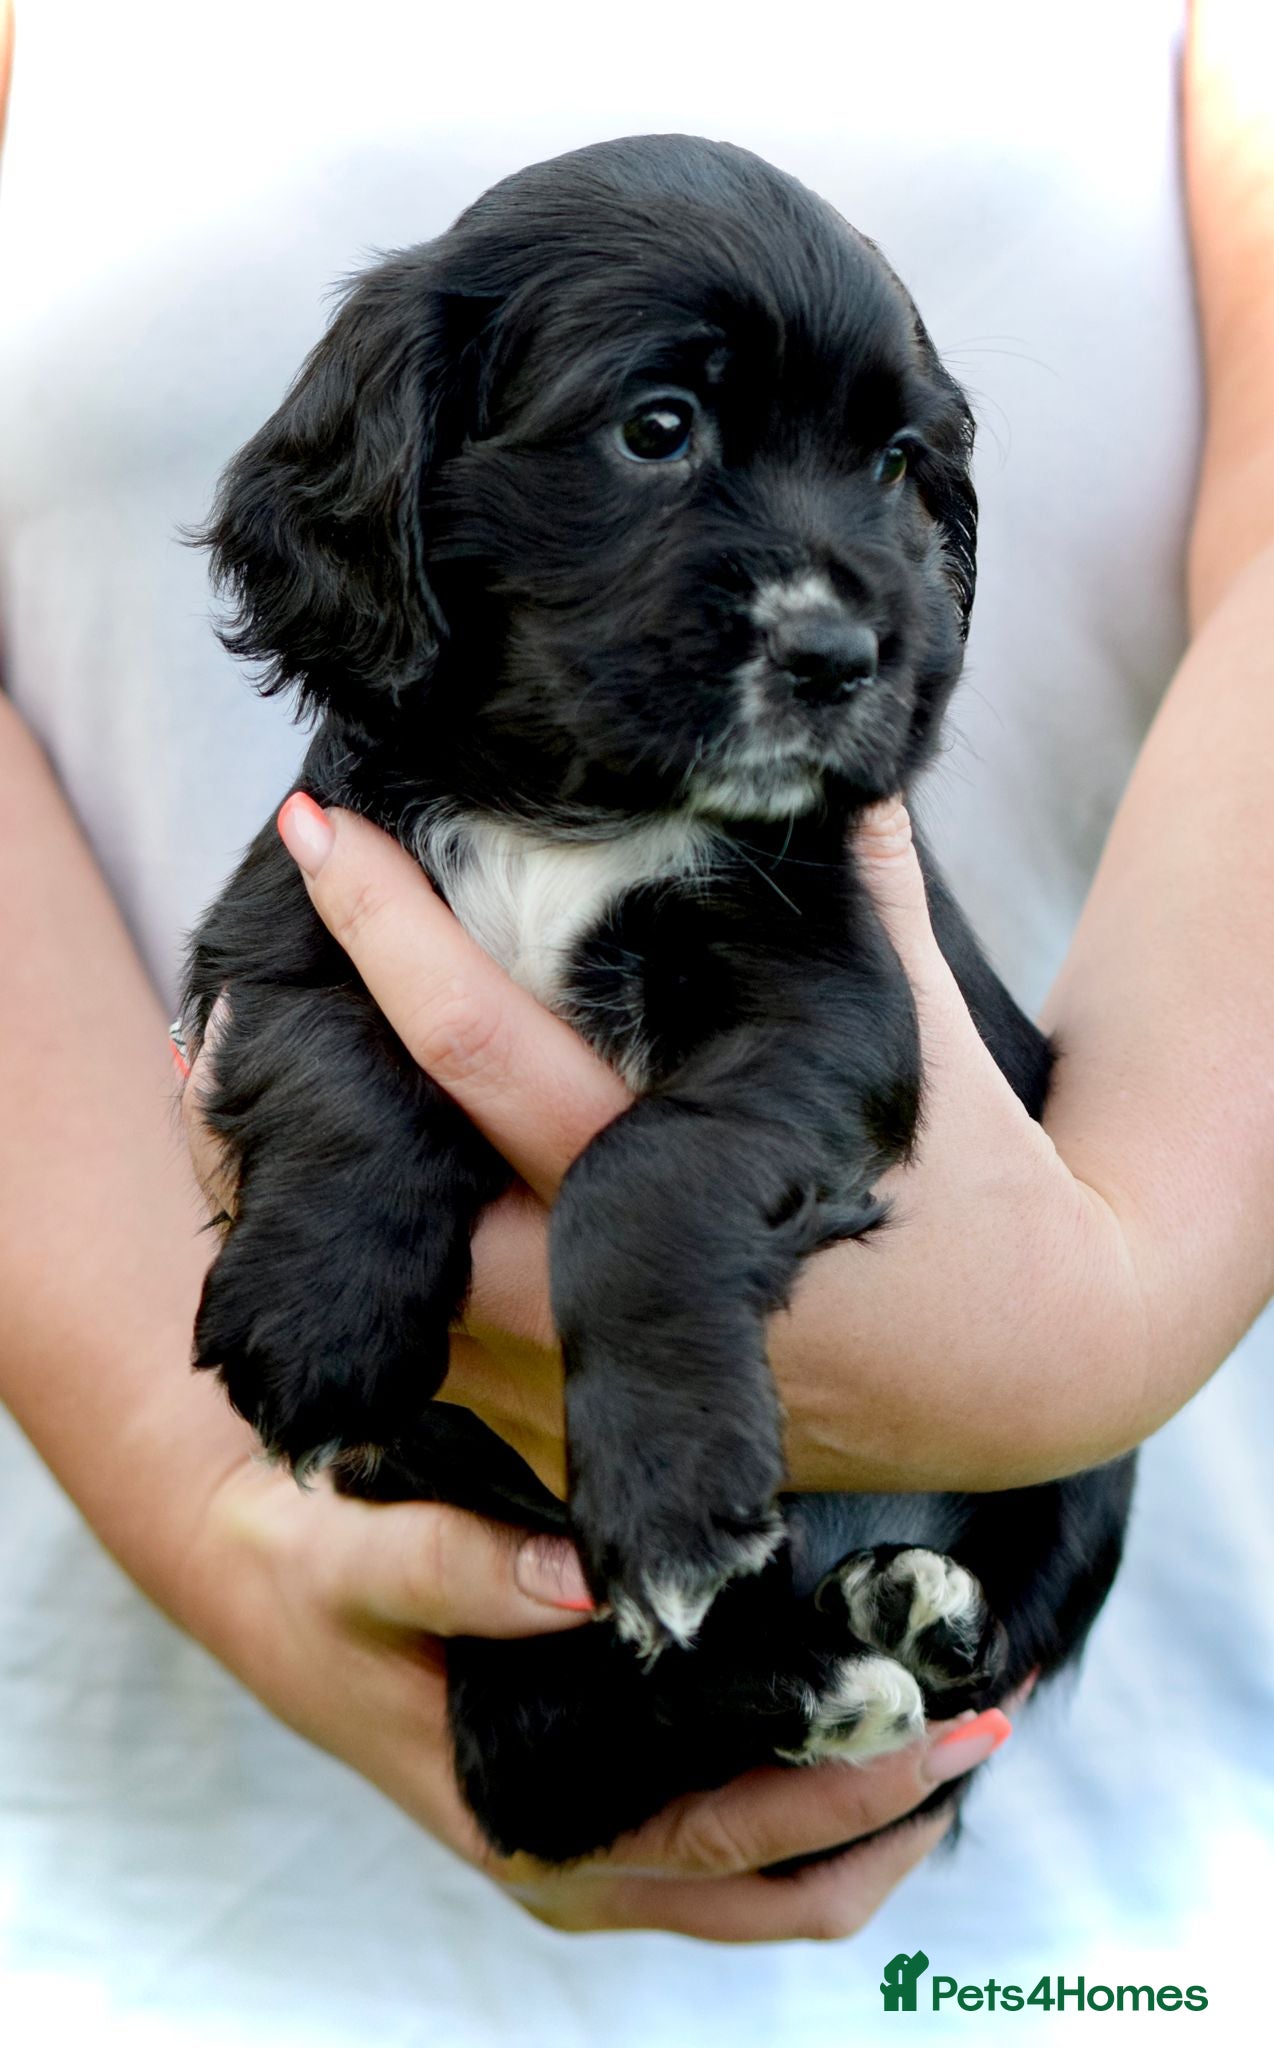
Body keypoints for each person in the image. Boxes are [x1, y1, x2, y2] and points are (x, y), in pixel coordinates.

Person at [0, 0, 1269, 2036]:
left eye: (889, 470)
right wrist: (206, 1499)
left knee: (1033, 1505)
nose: (833, 596)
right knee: (530, 1694)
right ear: (401, 488)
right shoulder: (368, 800)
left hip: (1108, 1917)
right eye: (659, 431)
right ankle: (688, 1683)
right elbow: (290, 989)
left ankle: (876, 1647)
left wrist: (1118, 1314)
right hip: (162, 1913)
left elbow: (838, 1069)